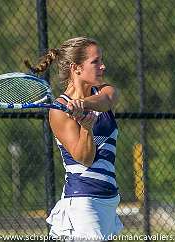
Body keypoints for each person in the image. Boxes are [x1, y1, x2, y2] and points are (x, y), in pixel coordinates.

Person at [28, 37, 123, 241]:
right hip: (84, 205)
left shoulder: (103, 92)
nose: (103, 66)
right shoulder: (59, 111)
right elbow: (84, 158)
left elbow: (108, 99)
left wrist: (83, 103)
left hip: (108, 202)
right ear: (76, 68)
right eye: (95, 61)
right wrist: (86, 129)